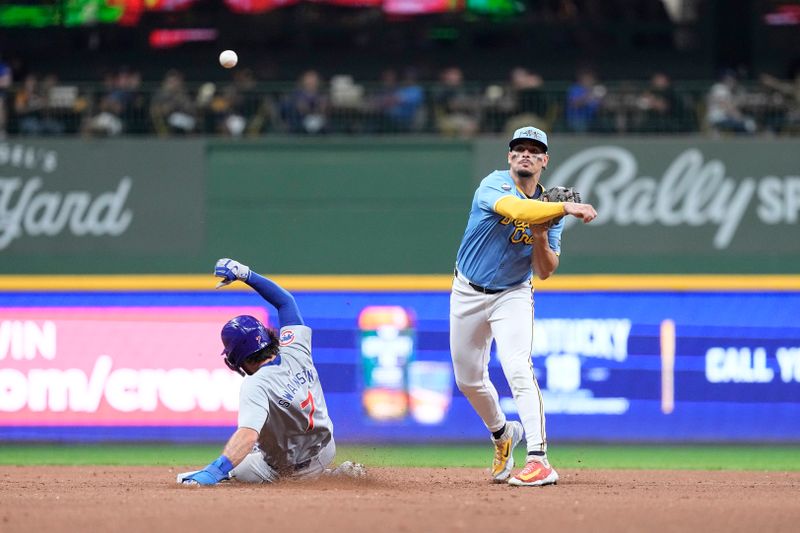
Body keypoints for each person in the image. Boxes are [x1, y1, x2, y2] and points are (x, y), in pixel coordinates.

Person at [449, 126, 597, 487]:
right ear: (509, 157)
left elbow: (545, 271)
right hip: (467, 290)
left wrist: (544, 232)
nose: (525, 154)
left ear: (545, 160)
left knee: (517, 365)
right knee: (468, 380)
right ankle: (502, 433)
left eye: (534, 150)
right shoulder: (494, 185)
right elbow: (514, 208)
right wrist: (562, 208)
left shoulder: (548, 210)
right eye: (519, 149)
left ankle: (539, 458)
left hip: (512, 293)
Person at [178, 258, 365, 485]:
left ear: (237, 357)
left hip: (286, 471)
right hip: (325, 452)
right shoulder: (295, 348)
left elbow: (246, 437)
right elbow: (285, 302)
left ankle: (220, 475)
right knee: (266, 441)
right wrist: (245, 274)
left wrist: (213, 472)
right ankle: (329, 475)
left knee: (239, 469)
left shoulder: (256, 385)